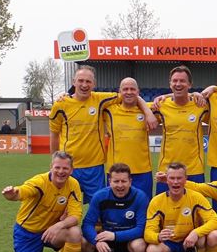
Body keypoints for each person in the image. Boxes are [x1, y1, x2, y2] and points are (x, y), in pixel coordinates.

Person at [49, 65, 156, 204]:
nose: (84, 85)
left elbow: (130, 96)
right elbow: (54, 134)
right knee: (62, 206)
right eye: (80, 80)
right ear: (73, 82)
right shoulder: (60, 105)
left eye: (88, 81)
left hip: (95, 167)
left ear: (94, 84)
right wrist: (54, 163)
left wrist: (148, 112)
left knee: (98, 208)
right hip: (69, 166)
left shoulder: (101, 100)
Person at [2, 151, 83, 252]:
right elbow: (23, 191)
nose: (61, 172)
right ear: (51, 167)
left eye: (65, 168)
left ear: (71, 170)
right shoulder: (40, 182)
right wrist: (13, 194)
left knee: (75, 232)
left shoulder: (73, 184)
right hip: (28, 233)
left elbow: (76, 216)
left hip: (51, 232)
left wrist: (58, 225)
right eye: (57, 167)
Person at [144, 162, 217, 252]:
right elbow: (148, 233)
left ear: (186, 179)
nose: (175, 182)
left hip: (191, 244)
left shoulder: (196, 197)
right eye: (172, 178)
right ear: (166, 180)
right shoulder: (156, 201)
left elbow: (215, 221)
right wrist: (157, 236)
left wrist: (195, 233)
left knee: (202, 238)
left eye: (179, 178)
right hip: (170, 244)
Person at [80, 163, 152, 252]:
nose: (120, 185)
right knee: (81, 243)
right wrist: (96, 241)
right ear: (109, 181)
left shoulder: (140, 197)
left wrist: (114, 235)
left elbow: (141, 229)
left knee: (138, 246)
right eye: (116, 181)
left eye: (123, 181)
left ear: (130, 181)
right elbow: (87, 224)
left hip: (129, 240)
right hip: (107, 241)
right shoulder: (100, 196)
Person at [153, 65, 209, 194]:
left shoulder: (200, 105)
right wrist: (162, 97)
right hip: (166, 171)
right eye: (175, 81)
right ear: (170, 84)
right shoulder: (160, 106)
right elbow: (134, 101)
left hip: (194, 171)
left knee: (195, 211)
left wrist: (208, 89)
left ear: (190, 84)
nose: (178, 84)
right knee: (166, 211)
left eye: (182, 81)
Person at [103, 77, 154, 197]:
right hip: (116, 172)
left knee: (143, 209)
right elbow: (89, 99)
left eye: (132, 89)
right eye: (125, 89)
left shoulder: (150, 109)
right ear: (119, 92)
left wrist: (193, 93)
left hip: (142, 171)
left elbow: (172, 99)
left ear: (138, 91)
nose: (129, 92)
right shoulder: (108, 111)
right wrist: (64, 95)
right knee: (113, 211)